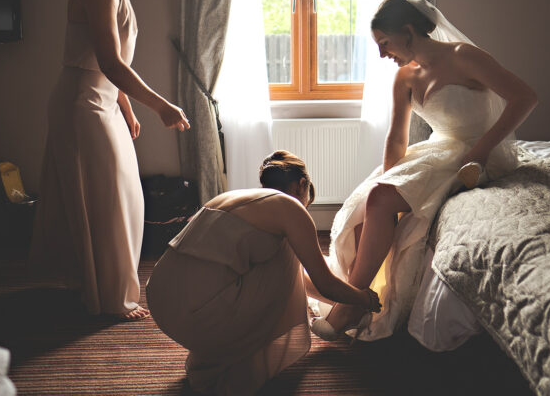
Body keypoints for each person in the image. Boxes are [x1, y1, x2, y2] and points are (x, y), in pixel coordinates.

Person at [311, 0, 538, 343]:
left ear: (407, 31)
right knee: (367, 204)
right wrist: (387, 181)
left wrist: (478, 153)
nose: (382, 53)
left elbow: (525, 97)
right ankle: (361, 292)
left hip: (478, 154)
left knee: (383, 200)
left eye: (384, 43)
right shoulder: (404, 77)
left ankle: (350, 304)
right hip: (439, 149)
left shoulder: (464, 57)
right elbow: (396, 141)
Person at [29, 0, 190, 321]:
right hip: (81, 103)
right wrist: (160, 107)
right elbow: (109, 62)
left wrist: (126, 106)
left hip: (101, 100)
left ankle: (98, 286)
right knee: (106, 199)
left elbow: (113, 67)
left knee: (116, 196)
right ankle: (109, 298)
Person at [146, 150, 382, 395]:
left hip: (161, 303)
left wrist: (340, 301)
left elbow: (295, 278)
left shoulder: (236, 197)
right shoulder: (290, 208)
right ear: (303, 184)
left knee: (284, 253)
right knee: (289, 248)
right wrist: (364, 299)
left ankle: (217, 349)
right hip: (197, 315)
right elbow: (322, 281)